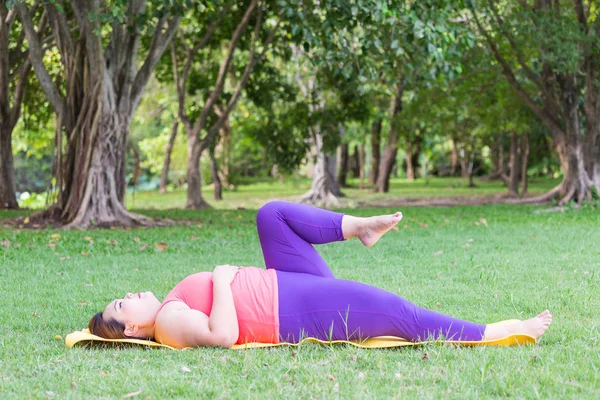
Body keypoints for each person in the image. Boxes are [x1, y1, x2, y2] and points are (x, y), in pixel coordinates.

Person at [89, 201, 552, 349]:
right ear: (131, 327)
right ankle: (496, 331)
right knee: (391, 310)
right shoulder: (167, 323)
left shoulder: (169, 302)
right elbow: (223, 335)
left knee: (271, 215)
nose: (127, 294)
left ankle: (360, 228)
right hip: (287, 309)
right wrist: (222, 278)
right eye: (121, 302)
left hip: (285, 284)